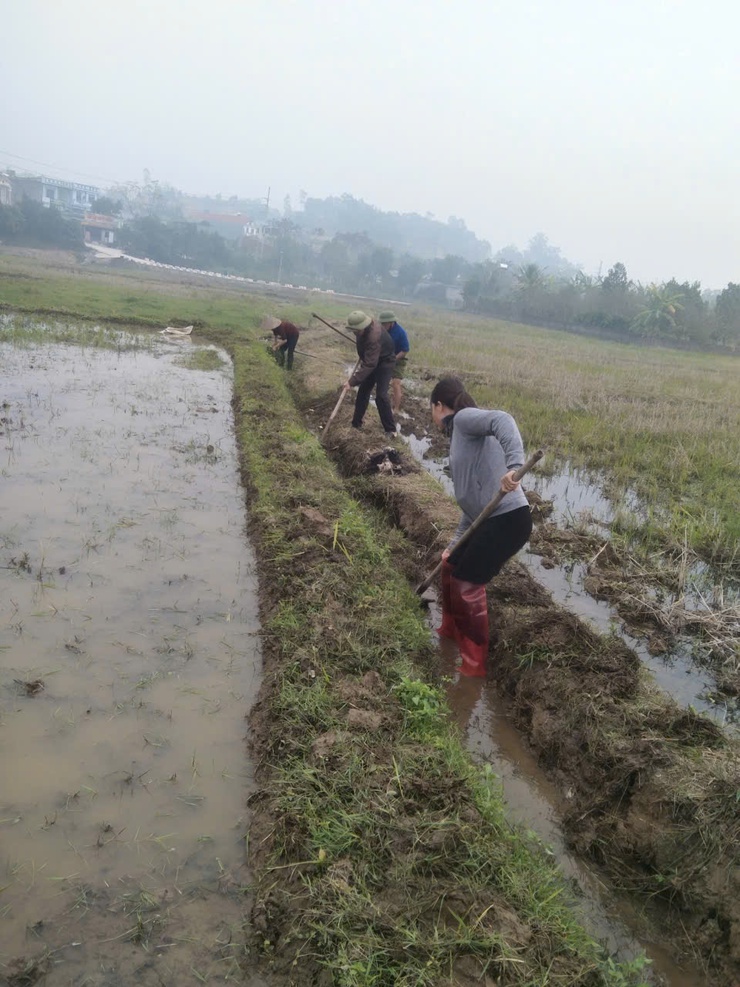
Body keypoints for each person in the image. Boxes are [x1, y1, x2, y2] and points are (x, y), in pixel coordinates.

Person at [430, 376, 532, 677]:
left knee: (467, 583)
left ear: (438, 405)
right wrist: (453, 545)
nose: (432, 416)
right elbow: (472, 505)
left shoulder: (462, 420)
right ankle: (450, 630)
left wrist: (515, 467)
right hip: (488, 519)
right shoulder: (459, 437)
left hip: (508, 520)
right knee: (451, 566)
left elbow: (503, 419)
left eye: (431, 410)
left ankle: (474, 664)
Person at [342, 311, 396, 435]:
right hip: (371, 359)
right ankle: (356, 424)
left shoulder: (374, 336)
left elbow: (370, 364)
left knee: (381, 396)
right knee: (362, 392)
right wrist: (364, 355)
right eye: (354, 330)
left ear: (364, 326)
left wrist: (352, 381)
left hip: (385, 362)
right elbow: (367, 355)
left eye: (357, 330)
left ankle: (391, 430)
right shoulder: (361, 330)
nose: (355, 333)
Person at [378, 311, 410, 415]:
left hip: (398, 360)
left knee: (395, 383)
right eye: (381, 323)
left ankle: (396, 409)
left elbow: (405, 350)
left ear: (391, 323)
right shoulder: (381, 330)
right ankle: (381, 403)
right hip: (384, 356)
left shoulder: (400, 332)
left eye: (384, 324)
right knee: (379, 380)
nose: (382, 326)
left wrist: (393, 359)